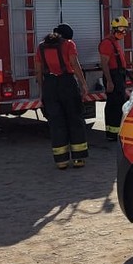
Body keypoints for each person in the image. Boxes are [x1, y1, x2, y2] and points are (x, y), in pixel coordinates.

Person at [37, 23, 90, 169]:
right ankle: (78, 159)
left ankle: (61, 161)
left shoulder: (41, 47)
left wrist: (42, 91)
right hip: (67, 84)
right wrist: (83, 84)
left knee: (56, 123)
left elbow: (38, 71)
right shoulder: (68, 44)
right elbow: (75, 64)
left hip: (49, 85)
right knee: (75, 119)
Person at [99, 16, 130, 142]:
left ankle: (115, 132)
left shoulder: (114, 42)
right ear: (115, 29)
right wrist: (110, 81)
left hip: (118, 76)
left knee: (118, 104)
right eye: (122, 30)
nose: (124, 33)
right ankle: (112, 133)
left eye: (125, 30)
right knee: (114, 105)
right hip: (113, 77)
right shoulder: (107, 43)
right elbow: (104, 63)